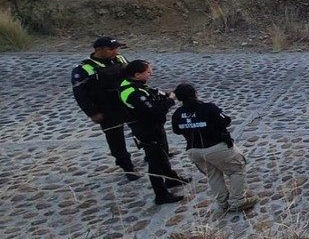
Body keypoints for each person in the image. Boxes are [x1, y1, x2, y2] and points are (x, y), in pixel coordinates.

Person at [171, 84, 257, 217]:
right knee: (236, 170)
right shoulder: (208, 108)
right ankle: (237, 201)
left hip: (194, 151)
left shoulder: (177, 114)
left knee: (213, 175)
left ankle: (222, 203)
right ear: (195, 93)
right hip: (216, 147)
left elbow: (176, 130)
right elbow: (226, 121)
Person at [119, 60, 190, 205]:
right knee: (155, 162)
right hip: (147, 130)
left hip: (154, 127)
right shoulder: (133, 93)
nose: (151, 74)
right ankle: (161, 194)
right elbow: (154, 112)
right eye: (148, 72)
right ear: (137, 75)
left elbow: (155, 94)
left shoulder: (135, 85)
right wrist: (171, 101)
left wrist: (169, 95)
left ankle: (171, 179)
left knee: (163, 154)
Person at [70, 36, 138, 180]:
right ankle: (127, 167)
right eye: (111, 49)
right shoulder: (84, 69)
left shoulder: (119, 59)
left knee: (142, 128)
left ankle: (151, 153)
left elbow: (133, 74)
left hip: (126, 101)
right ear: (98, 50)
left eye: (116, 49)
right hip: (107, 108)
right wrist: (92, 113)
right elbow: (80, 94)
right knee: (116, 139)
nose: (115, 52)